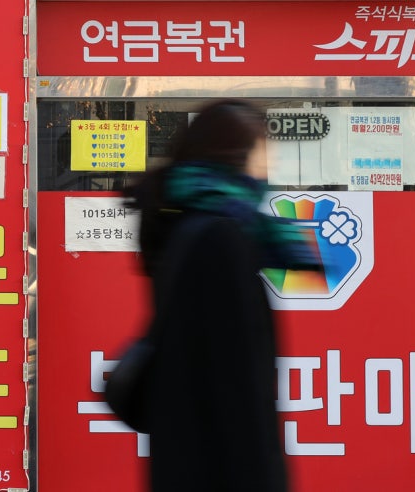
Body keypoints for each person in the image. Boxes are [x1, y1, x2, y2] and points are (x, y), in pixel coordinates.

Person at [125, 99, 321, 491]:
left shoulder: (188, 223)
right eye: (263, 150)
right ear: (236, 155)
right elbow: (238, 386)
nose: (270, 164)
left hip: (187, 461)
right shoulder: (221, 237)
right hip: (221, 468)